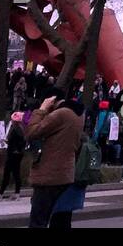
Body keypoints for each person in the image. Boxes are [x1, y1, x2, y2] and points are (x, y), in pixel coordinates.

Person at [26, 94, 83, 229]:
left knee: (38, 220)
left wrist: (41, 109)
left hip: (49, 175)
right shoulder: (77, 115)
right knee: (61, 219)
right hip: (65, 174)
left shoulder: (60, 114)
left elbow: (32, 132)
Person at [0, 112, 26, 200]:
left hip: (12, 154)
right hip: (19, 154)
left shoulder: (14, 130)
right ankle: (17, 192)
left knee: (7, 173)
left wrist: (3, 141)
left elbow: (10, 142)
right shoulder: (21, 130)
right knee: (16, 173)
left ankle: (0, 193)